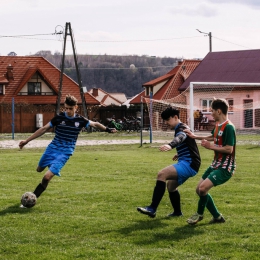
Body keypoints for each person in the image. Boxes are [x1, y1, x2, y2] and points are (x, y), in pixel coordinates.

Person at [19, 94, 116, 208]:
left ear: (76, 108)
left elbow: (94, 124)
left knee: (46, 177)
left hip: (65, 153)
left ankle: (32, 198)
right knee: (39, 169)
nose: (68, 111)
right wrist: (27, 141)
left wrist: (108, 129)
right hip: (52, 149)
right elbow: (44, 129)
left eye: (71, 108)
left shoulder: (80, 120)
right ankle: (50, 164)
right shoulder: (59, 118)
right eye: (66, 108)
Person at [137, 107, 201, 218]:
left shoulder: (182, 128)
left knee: (162, 174)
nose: (166, 123)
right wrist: (179, 153)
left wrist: (170, 145)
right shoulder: (180, 127)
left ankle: (152, 208)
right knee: (171, 186)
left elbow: (180, 138)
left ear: (175, 117)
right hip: (188, 162)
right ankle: (177, 213)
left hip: (189, 164)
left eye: (167, 120)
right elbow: (188, 144)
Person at [185, 98, 236, 225]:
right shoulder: (218, 124)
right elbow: (213, 136)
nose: (211, 113)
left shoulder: (229, 127)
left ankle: (199, 214)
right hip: (215, 164)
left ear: (218, 111)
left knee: (202, 189)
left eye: (212, 110)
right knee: (199, 190)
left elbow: (229, 149)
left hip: (225, 167)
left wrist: (210, 146)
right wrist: (195, 136)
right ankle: (217, 217)